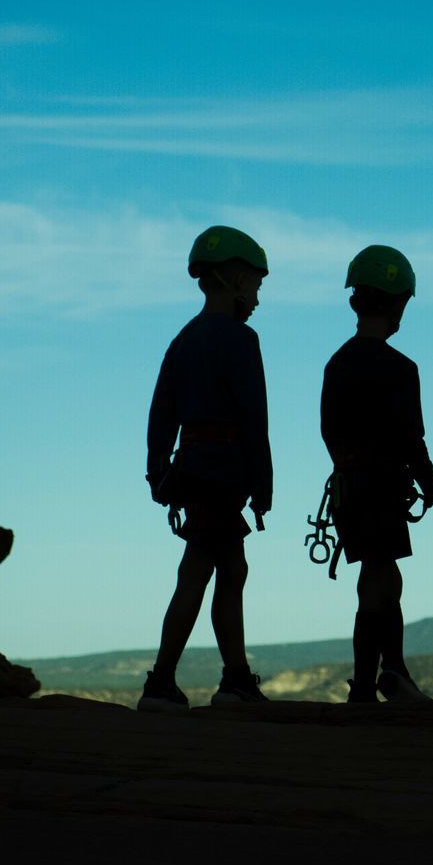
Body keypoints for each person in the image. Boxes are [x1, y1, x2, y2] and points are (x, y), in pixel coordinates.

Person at [140, 225, 275, 711]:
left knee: (214, 567)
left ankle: (210, 679)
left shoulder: (182, 341)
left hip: (190, 469)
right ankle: (212, 682)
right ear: (235, 279)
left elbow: (161, 415)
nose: (258, 297)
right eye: (256, 285)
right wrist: (264, 485)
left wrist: (158, 475)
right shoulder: (242, 339)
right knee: (215, 568)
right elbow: (254, 419)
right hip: (224, 472)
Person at [321, 245, 433, 704]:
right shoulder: (400, 368)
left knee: (380, 575)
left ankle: (388, 672)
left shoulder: (337, 364)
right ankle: (376, 680)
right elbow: (411, 435)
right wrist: (428, 480)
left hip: (350, 487)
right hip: (382, 486)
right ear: (397, 303)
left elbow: (328, 431)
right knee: (380, 577)